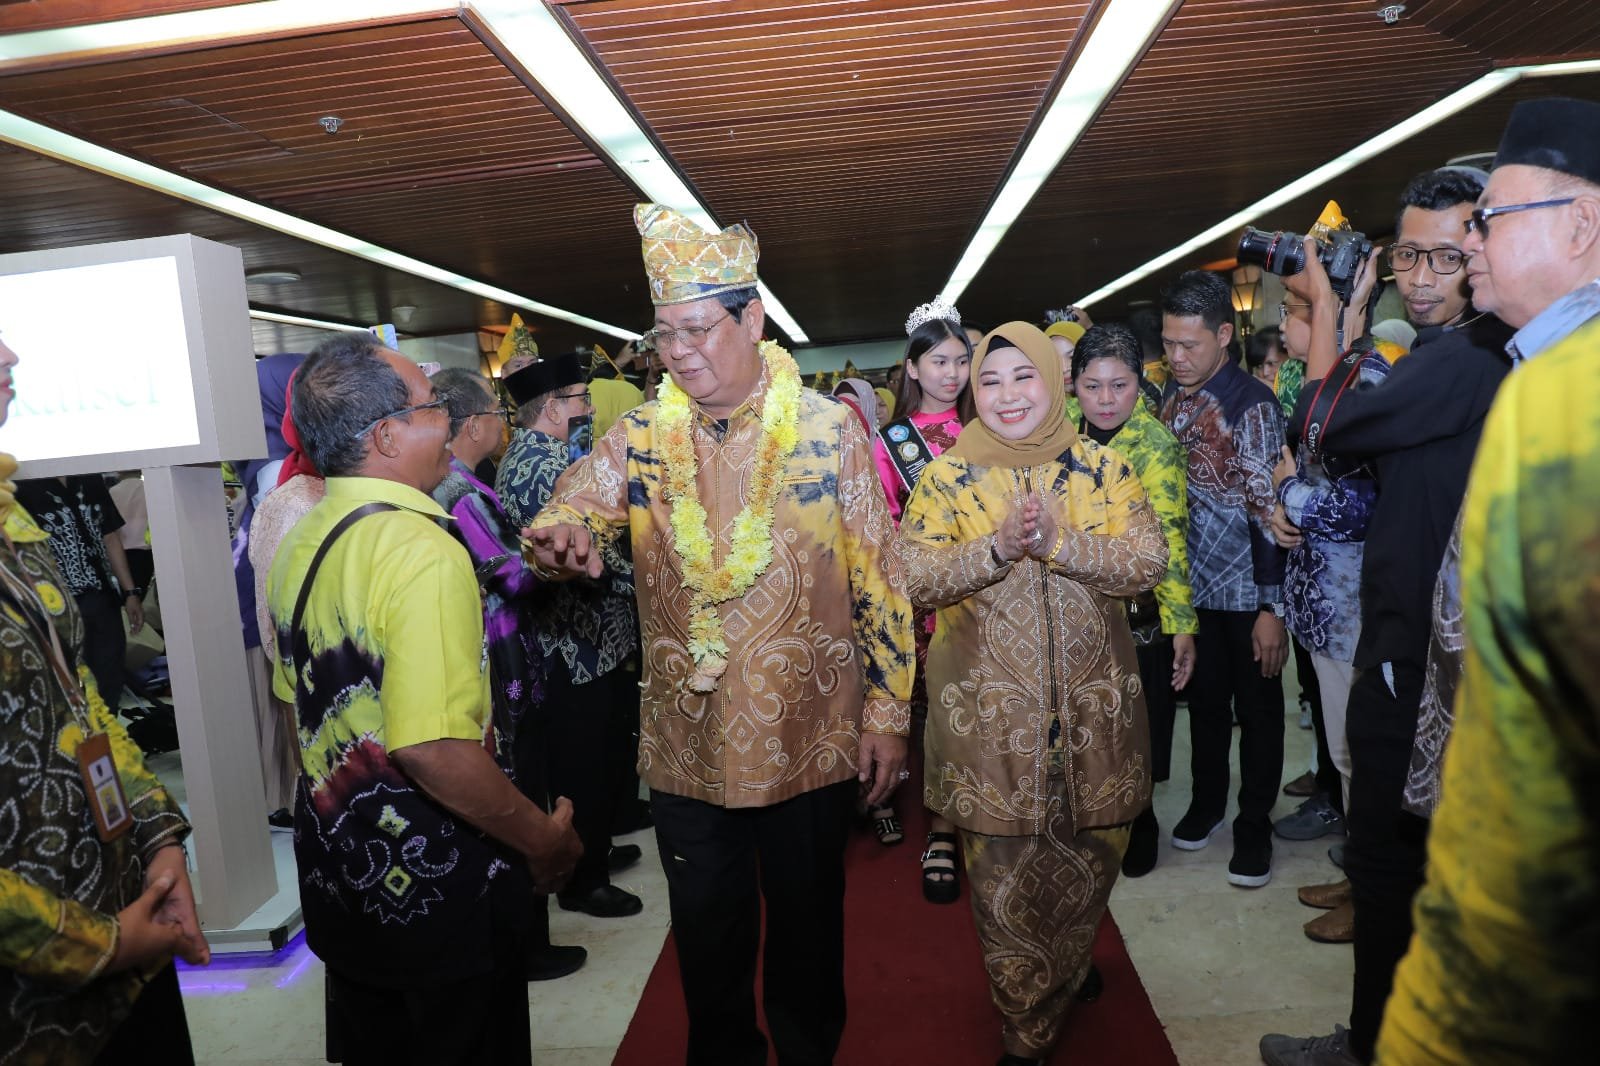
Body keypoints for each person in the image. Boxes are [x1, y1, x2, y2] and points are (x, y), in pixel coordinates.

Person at [525, 203, 912, 1066]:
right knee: (707, 940)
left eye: (699, 327)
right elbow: (570, 507)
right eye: (664, 335)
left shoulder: (828, 431)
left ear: (753, 318)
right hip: (685, 744)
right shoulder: (639, 437)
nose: (681, 351)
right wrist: (556, 538)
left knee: (809, 933)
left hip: (808, 736)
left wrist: (888, 715)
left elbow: (881, 579)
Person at [267, 332, 581, 1065]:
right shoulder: (420, 546)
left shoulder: (304, 535)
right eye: (432, 405)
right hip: (440, 894)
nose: (449, 420)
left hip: (343, 879)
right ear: (384, 435)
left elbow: (297, 710)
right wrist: (545, 841)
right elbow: (432, 748)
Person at [1258, 165, 1513, 1066]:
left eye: (1450, 254)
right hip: (1409, 637)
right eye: (1410, 254)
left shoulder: (1465, 359)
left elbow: (1326, 427)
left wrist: (1333, 309)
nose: (1427, 275)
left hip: (1423, 657)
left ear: (1486, 249)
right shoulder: (1470, 355)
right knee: (1390, 859)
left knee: (1387, 861)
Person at [1376, 95, 1600, 1066]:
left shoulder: (1569, 397)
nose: (1469, 241)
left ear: (1583, 224)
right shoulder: (1539, 372)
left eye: (1490, 218)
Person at [900, 322, 1166, 1066]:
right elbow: (914, 577)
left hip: (1096, 719)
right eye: (991, 381)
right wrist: (997, 549)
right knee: (1005, 888)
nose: (1008, 395)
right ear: (971, 393)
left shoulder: (1104, 471)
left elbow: (1146, 561)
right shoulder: (948, 478)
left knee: (1088, 863)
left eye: (1025, 378)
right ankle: (1025, 1030)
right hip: (988, 726)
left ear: (1057, 381)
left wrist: (1061, 543)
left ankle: (1070, 962)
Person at [1, 333, 210, 1065]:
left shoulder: (11, 524)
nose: (11, 357)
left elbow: (79, 701)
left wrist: (157, 838)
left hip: (125, 919)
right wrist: (101, 944)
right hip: (34, 1005)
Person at [429, 367, 592, 981]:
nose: (502, 427)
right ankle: (525, 943)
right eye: (495, 417)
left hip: (507, 652)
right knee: (520, 785)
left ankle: (526, 935)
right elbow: (511, 575)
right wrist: (566, 560)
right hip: (503, 658)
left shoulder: (464, 484)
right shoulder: (462, 491)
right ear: (473, 424)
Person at [1266, 211, 1394, 947]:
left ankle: (1374, 892)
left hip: (1356, 609)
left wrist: (1292, 500)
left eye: (1297, 308)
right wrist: (1285, 513)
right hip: (1320, 601)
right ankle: (1357, 875)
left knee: (1364, 759)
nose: (1287, 325)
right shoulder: (1323, 383)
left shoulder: (1369, 380)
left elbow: (1360, 503)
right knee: (1345, 757)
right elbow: (1299, 484)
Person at [496, 353, 644, 920]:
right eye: (582, 401)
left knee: (600, 756)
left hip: (585, 643)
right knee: (584, 763)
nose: (588, 411)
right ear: (554, 407)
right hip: (572, 646)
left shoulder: (537, 456)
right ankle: (585, 879)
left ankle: (596, 847)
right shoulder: (547, 463)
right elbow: (582, 558)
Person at [1157, 270, 1288, 889]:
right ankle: (1208, 803)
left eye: (1190, 346)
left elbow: (1268, 506)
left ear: (1225, 336)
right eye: (1169, 345)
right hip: (1191, 589)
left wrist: (1272, 607)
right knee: (1204, 706)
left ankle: (1254, 823)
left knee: (1258, 710)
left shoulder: (1251, 403)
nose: (1177, 358)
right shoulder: (1170, 398)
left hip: (1246, 592)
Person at [1066, 323, 1197, 878]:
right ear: (1073, 387)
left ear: (1139, 384)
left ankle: (1140, 822)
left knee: (1135, 730)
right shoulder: (1062, 436)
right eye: (1092, 386)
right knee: (1085, 729)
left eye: (1118, 385)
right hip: (1076, 609)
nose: (1105, 399)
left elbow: (1169, 540)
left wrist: (1182, 625)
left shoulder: (1154, 445)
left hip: (1138, 617)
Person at [872, 298, 974, 895]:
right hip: (919, 594)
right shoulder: (892, 443)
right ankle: (928, 817)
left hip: (985, 588)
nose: (952, 374)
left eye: (961, 361)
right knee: (926, 710)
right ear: (912, 368)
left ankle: (950, 820)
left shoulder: (989, 430)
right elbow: (883, 523)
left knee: (966, 709)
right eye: (939, 362)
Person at [14, 473, 146, 713]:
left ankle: (109, 741)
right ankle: (81, 745)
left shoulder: (89, 477)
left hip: (103, 596)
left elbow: (110, 536)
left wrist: (130, 592)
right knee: (68, 682)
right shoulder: (22, 484)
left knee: (109, 675)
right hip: (55, 604)